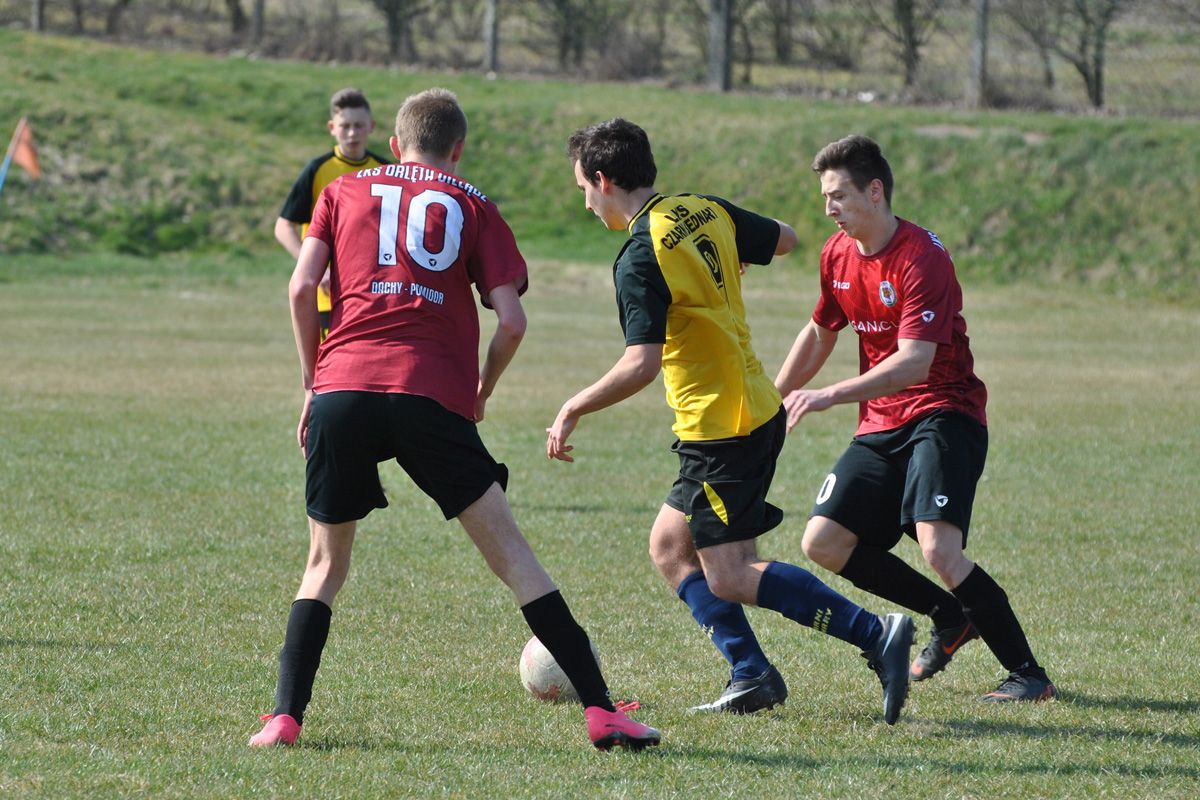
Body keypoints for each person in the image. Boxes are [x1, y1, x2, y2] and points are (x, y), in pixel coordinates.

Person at [249, 89, 661, 752]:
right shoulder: (474, 204)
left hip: (343, 387)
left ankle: (284, 719)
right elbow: (512, 321)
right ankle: (602, 712)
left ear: (396, 142)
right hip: (430, 393)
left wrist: (312, 382)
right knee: (515, 559)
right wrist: (481, 389)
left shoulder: (344, 190)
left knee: (323, 565)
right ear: (458, 149)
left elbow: (301, 288)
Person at [547, 118, 915, 725]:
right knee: (671, 546)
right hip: (753, 409)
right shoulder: (703, 209)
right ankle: (751, 672)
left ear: (603, 180)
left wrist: (573, 406)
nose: (586, 202)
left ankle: (876, 633)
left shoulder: (639, 256)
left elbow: (640, 364)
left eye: (584, 189)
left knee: (731, 572)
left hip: (721, 429)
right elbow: (787, 239)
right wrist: (724, 260)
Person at [777, 134, 1056, 702]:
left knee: (939, 549)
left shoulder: (922, 256)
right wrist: (773, 397)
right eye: (825, 197)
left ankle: (1029, 675)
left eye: (838, 196)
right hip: (882, 422)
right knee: (823, 541)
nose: (828, 209)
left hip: (943, 412)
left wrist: (828, 395)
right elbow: (821, 332)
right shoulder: (837, 254)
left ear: (875, 192)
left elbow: (914, 363)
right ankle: (949, 617)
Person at [275, 88, 391, 341]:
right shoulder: (318, 170)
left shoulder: (387, 171)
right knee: (329, 363)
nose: (352, 133)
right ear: (332, 127)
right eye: (345, 126)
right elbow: (283, 227)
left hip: (375, 294)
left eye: (359, 125)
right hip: (327, 296)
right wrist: (315, 269)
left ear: (371, 126)